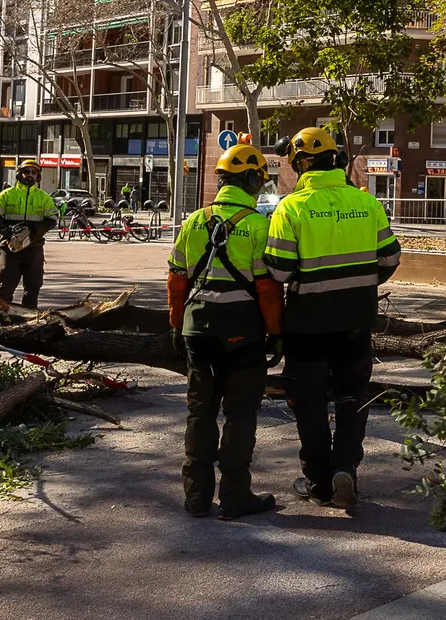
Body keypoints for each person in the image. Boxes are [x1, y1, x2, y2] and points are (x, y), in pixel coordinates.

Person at [264, 127, 399, 511]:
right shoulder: (366, 203)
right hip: (355, 322)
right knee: (352, 397)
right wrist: (358, 287)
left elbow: (278, 270)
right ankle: (346, 469)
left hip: (307, 325)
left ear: (303, 163)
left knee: (308, 402)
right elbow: (389, 260)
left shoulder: (290, 207)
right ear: (335, 159)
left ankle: (319, 482)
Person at [167, 143, 284, 520]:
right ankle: (235, 497)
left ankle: (196, 498)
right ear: (251, 179)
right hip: (242, 332)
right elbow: (266, 288)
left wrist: (175, 324)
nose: (259, 189)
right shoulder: (257, 225)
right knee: (240, 413)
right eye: (259, 181)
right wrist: (275, 332)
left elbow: (176, 278)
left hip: (197, 328)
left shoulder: (194, 221)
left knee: (200, 411)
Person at [0, 160, 58, 311]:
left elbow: (53, 218)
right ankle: (0, 320)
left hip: (34, 248)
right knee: (5, 289)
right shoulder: (7, 195)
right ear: (20, 174)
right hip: (9, 248)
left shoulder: (44, 197)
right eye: (27, 172)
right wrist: (8, 232)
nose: (30, 175)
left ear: (38, 176)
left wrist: (36, 229)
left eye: (34, 173)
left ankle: (29, 322)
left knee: (33, 289)